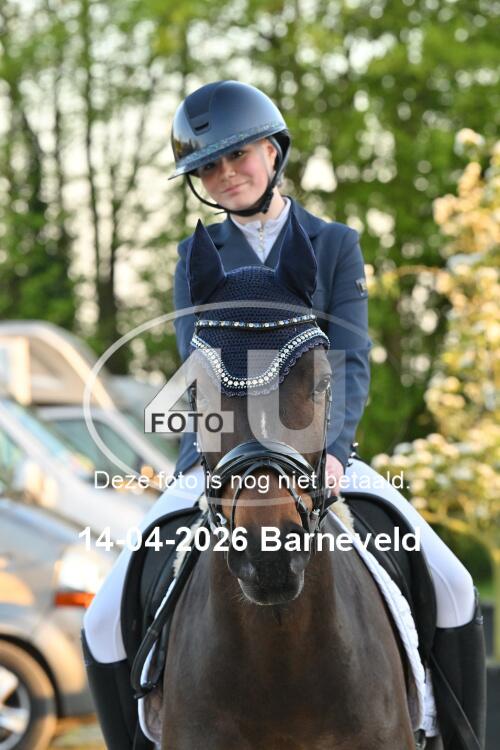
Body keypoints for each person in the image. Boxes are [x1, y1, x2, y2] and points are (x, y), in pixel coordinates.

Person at [82, 80, 485, 749]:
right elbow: (198, 369)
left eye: (237, 155)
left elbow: (348, 361)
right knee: (100, 619)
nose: (225, 173)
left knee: (455, 584)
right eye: (209, 167)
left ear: (273, 151)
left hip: (319, 455)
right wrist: (218, 466)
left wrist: (334, 454)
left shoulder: (335, 244)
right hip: (219, 461)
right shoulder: (195, 257)